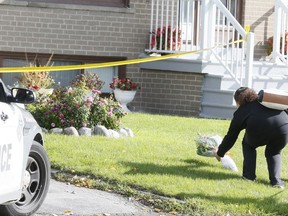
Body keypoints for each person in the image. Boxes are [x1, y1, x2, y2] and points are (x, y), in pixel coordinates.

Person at [214, 87, 288, 189]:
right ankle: (276, 182)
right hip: (283, 129)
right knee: (274, 152)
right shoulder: (268, 102)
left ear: (239, 100)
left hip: (260, 129)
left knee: (248, 144)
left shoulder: (243, 110)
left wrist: (219, 153)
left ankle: (249, 177)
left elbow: (231, 136)